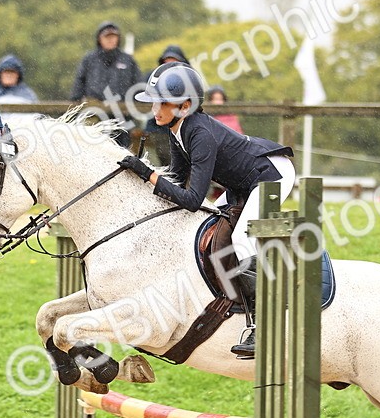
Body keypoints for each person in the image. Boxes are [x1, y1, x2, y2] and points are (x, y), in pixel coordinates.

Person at [117, 63, 295, 359]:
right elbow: (175, 181)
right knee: (211, 219)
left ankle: (265, 327)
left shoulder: (200, 134)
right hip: (243, 182)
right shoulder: (178, 130)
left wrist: (147, 174)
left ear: (184, 105)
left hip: (271, 175)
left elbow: (190, 198)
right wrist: (140, 180)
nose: (154, 109)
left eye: (162, 102)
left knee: (241, 239)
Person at [70, 21, 143, 149]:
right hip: (95, 113)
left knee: (122, 151)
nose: (110, 40)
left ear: (118, 38)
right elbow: (79, 81)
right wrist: (76, 100)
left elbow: (138, 84)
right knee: (93, 149)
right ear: (99, 38)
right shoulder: (89, 59)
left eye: (113, 36)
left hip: (122, 115)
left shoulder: (127, 60)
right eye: (107, 37)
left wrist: (134, 105)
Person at [142, 44, 190, 166]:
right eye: (167, 62)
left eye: (174, 62)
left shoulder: (189, 79)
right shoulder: (153, 78)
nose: (170, 65)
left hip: (183, 127)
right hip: (159, 129)